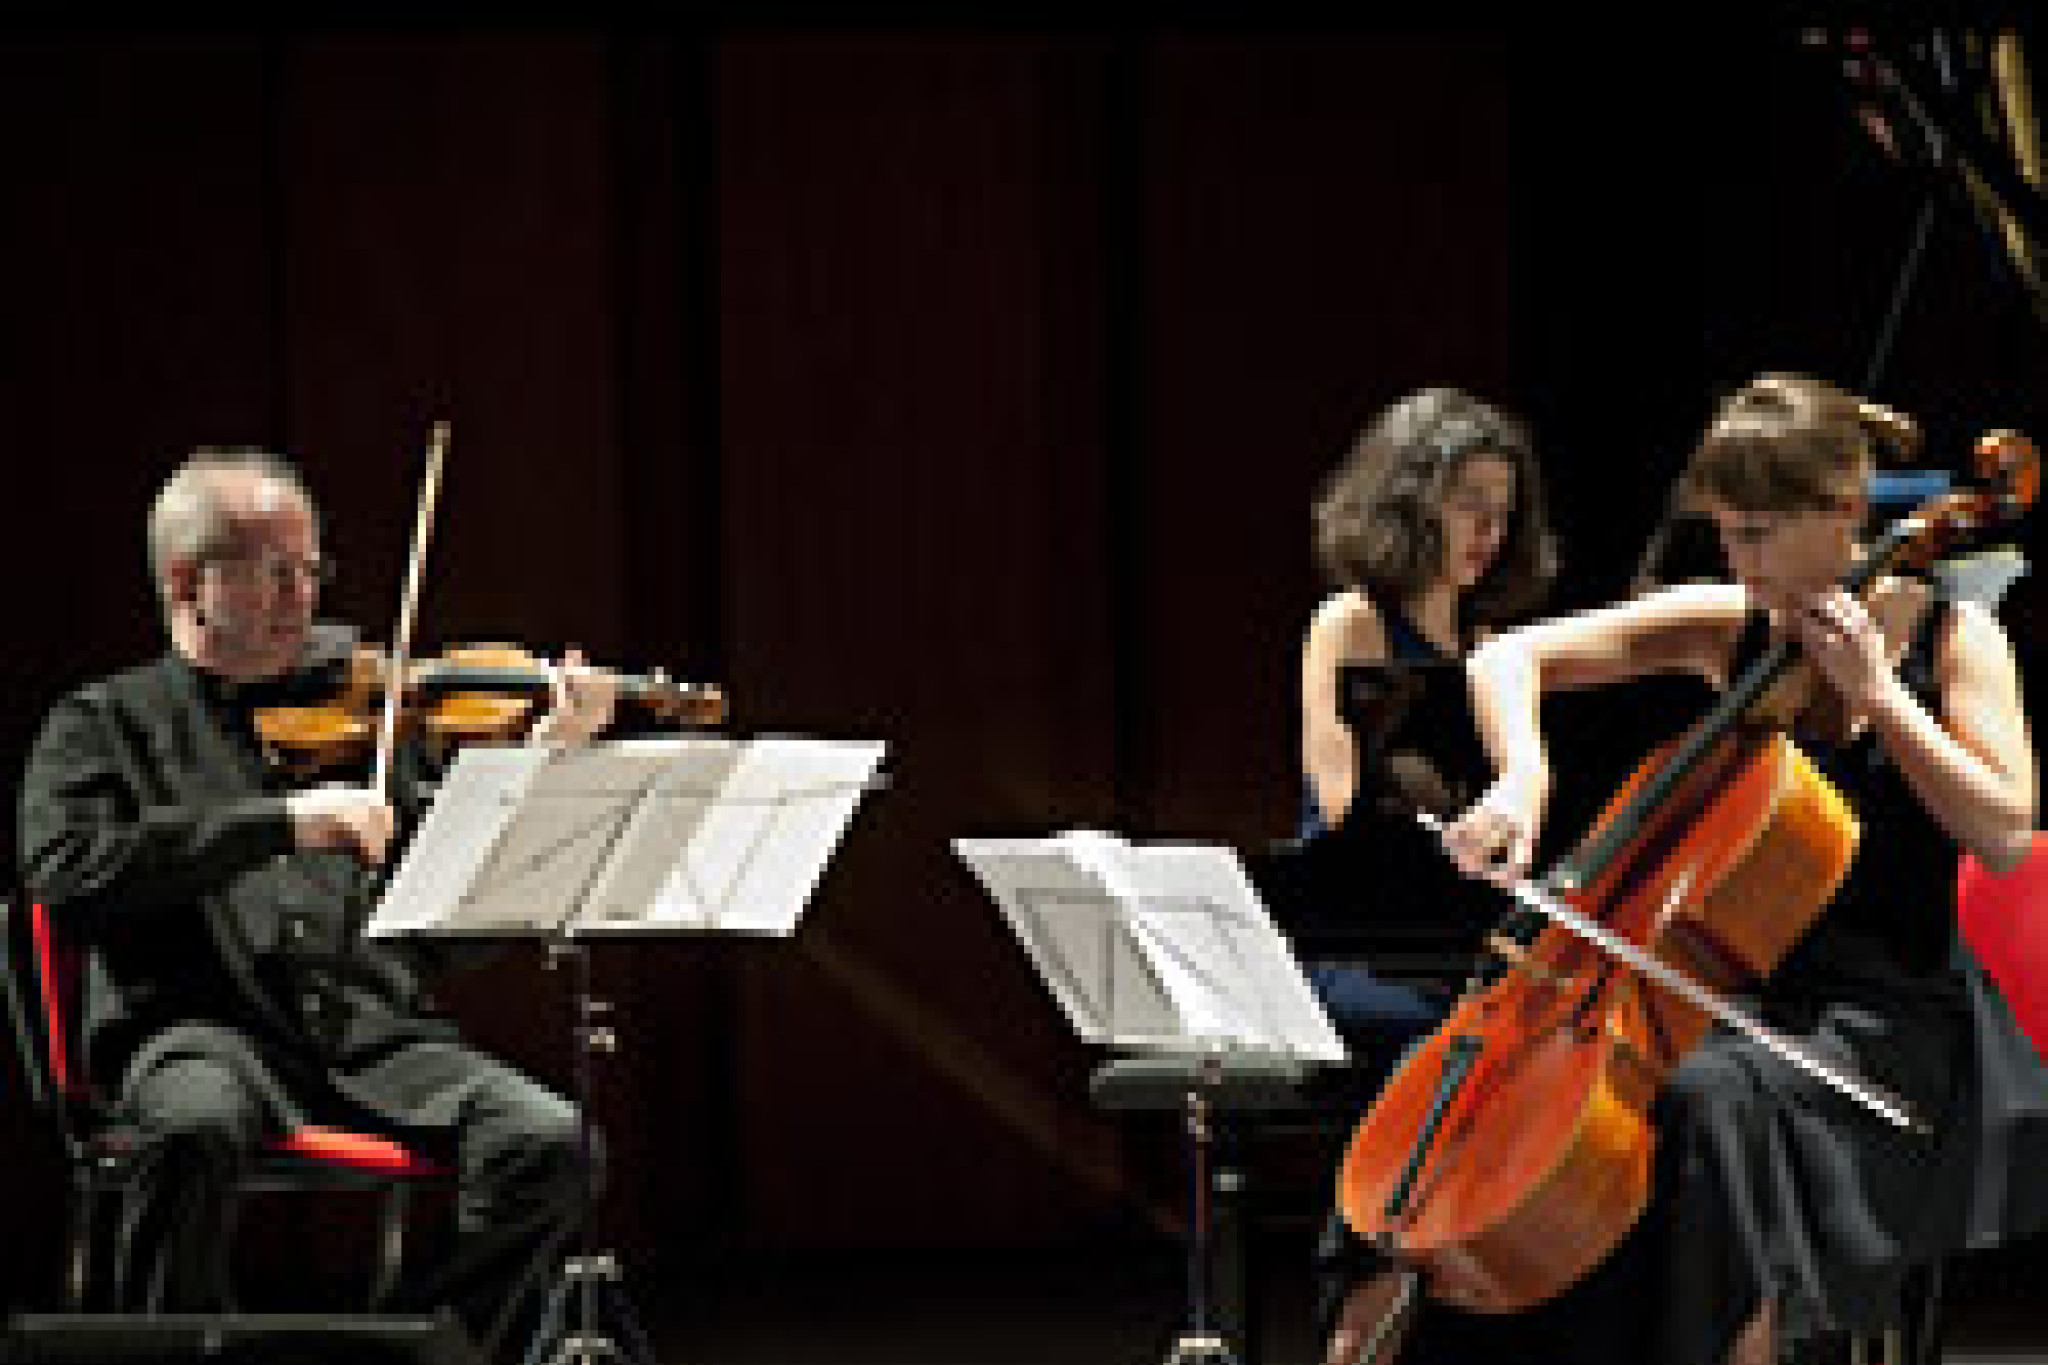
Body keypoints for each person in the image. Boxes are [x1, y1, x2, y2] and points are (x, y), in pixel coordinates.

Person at [1324, 373, 2048, 1365]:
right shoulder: (1731, 623)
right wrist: (1521, 778)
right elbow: (1508, 661)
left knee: (1709, 1102)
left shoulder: (1955, 640)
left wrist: (1879, 698)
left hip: (1876, 1028)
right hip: (1719, 997)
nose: (1733, 559)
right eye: (1724, 534)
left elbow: (2005, 830)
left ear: (1840, 514)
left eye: (1753, 533)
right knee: (1449, 1082)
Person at [17, 448, 622, 1359]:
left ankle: (416, 1347)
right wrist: (281, 823)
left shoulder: (374, 718)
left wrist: (538, 766)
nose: (306, 598)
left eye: (311, 570)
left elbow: (443, 937)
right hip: (199, 1033)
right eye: (275, 573)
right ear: (189, 582)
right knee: (192, 1127)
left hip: (370, 1038)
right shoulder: (103, 724)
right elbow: (68, 872)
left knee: (550, 1141)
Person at [1290, 385, 1557, 1070]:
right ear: (1411, 499)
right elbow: (1342, 800)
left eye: (1503, 512)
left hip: (1455, 936)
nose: (1489, 531)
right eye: (1469, 503)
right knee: (1457, 1047)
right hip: (1356, 940)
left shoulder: (1493, 646)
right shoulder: (1350, 621)